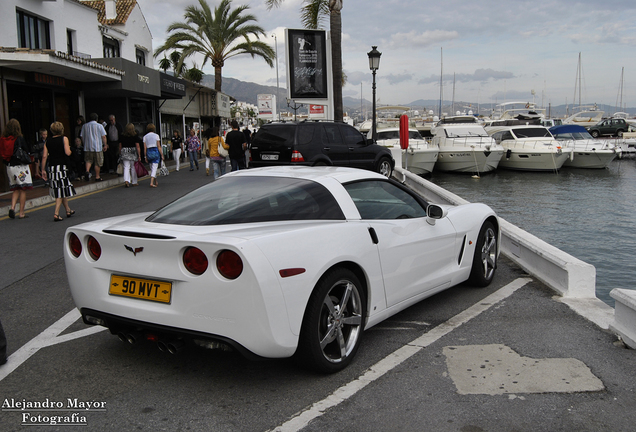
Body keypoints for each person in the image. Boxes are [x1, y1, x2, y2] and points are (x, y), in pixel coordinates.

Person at [41, 121, 76, 221]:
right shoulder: (64, 139)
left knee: (60, 187)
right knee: (61, 189)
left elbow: (44, 156)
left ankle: (68, 210)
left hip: (52, 167)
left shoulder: (48, 141)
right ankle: (56, 213)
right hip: (62, 166)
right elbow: (67, 152)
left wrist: (43, 169)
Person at [2, 119, 33, 219]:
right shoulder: (19, 138)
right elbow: (26, 150)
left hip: (10, 167)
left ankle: (12, 207)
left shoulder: (3, 139)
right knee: (23, 189)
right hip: (20, 167)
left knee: (15, 188)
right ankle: (21, 213)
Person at [80, 112, 107, 181]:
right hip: (97, 147)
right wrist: (105, 145)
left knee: (88, 160)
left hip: (87, 147)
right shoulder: (99, 126)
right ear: (96, 119)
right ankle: (97, 176)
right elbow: (103, 136)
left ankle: (87, 171)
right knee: (97, 162)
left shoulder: (84, 126)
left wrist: (84, 143)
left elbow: (82, 136)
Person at [119, 123, 142, 187]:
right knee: (133, 167)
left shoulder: (122, 136)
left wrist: (120, 153)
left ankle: (126, 180)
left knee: (126, 167)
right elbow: (138, 146)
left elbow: (120, 146)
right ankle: (134, 182)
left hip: (124, 151)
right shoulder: (135, 135)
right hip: (132, 152)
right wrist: (139, 155)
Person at [143, 123, 163, 188]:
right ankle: (151, 182)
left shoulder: (145, 137)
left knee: (152, 167)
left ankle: (155, 181)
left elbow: (145, 148)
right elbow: (159, 146)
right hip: (155, 151)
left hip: (149, 151)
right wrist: (162, 154)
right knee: (154, 167)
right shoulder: (156, 136)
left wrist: (145, 156)